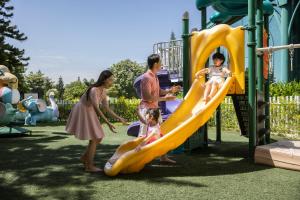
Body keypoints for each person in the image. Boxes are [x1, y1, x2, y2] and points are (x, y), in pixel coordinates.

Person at [65, 70, 128, 172]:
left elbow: (106, 108)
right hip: (83, 110)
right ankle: (89, 166)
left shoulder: (103, 91)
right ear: (104, 80)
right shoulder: (94, 90)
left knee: (97, 138)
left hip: (88, 110)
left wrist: (119, 118)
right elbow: (96, 108)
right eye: (111, 80)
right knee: (96, 138)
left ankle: (85, 158)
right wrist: (108, 123)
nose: (112, 82)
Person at [139, 54, 181, 137]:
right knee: (143, 135)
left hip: (155, 109)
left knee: (159, 133)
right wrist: (166, 99)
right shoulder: (146, 78)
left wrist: (170, 90)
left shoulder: (155, 77)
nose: (161, 64)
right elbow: (147, 97)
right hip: (146, 110)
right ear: (155, 64)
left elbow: (159, 91)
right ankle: (141, 149)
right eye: (160, 62)